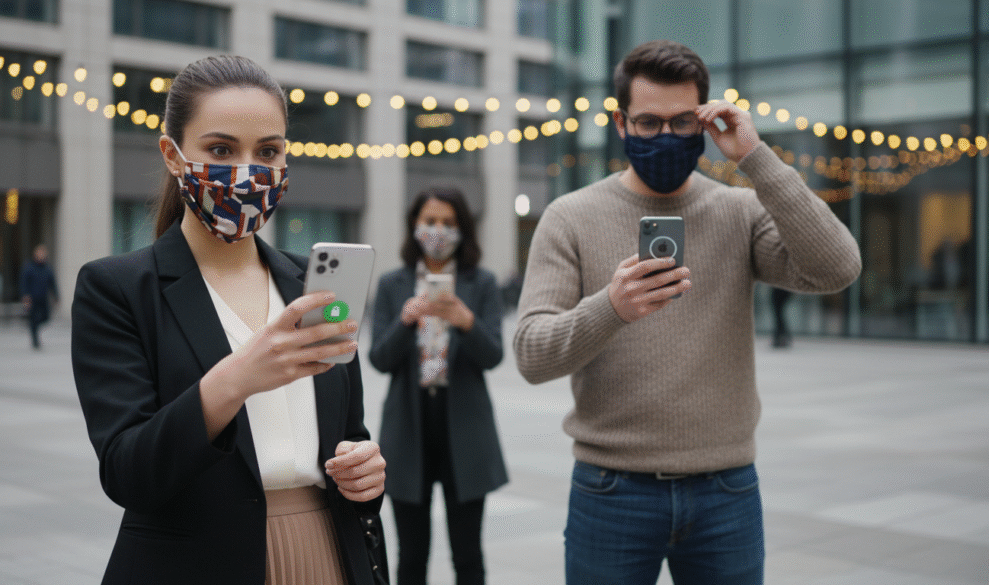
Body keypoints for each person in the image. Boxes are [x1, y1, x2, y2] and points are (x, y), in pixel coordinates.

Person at [513, 40, 861, 585]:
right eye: (648, 123)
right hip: (611, 490)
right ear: (621, 123)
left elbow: (838, 268)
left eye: (681, 122)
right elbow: (532, 354)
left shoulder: (738, 210)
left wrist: (755, 158)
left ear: (705, 121)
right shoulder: (570, 217)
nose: (665, 136)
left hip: (726, 489)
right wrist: (612, 307)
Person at [71, 55, 387, 585]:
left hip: (327, 554)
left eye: (268, 151)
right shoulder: (117, 289)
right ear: (173, 156)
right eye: (220, 150)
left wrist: (365, 468)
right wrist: (236, 377)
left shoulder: (311, 285)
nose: (247, 172)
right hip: (194, 564)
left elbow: (347, 432)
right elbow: (128, 472)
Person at [370, 187, 507, 585]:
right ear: (415, 225)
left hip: (464, 429)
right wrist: (405, 320)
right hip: (407, 431)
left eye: (449, 222)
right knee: (410, 556)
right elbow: (378, 359)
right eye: (430, 221)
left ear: (463, 229)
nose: (438, 230)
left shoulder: (480, 282)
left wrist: (466, 320)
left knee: (468, 555)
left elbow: (493, 355)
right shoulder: (394, 284)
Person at [20, 243, 58, 349]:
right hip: (32, 298)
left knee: (45, 317)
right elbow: (24, 283)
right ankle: (35, 341)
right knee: (33, 319)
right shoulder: (29, 267)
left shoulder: (47, 268)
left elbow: (53, 283)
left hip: (43, 297)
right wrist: (25, 296)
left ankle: (34, 326)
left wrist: (56, 296)